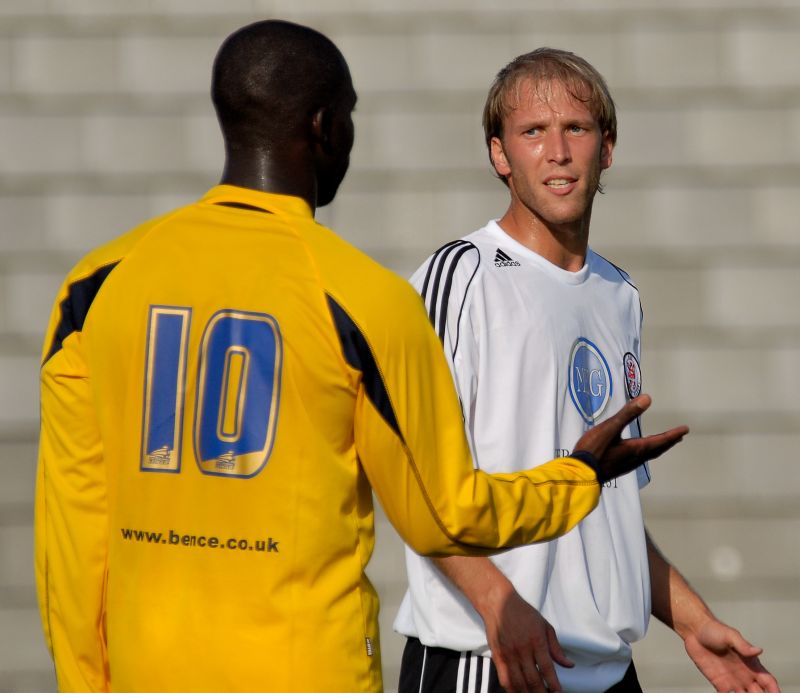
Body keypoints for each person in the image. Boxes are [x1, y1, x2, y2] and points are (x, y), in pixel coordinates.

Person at [34, 22, 687, 693]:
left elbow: (72, 528)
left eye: (577, 128)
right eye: (349, 115)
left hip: (146, 668)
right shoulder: (364, 299)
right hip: (310, 668)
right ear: (326, 127)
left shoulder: (95, 285)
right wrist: (578, 477)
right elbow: (445, 513)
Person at [394, 48, 780, 693]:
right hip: (489, 660)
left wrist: (692, 622)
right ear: (499, 155)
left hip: (606, 671)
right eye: (533, 131)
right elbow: (409, 477)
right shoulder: (460, 276)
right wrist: (496, 601)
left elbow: (608, 509)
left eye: (576, 128)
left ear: (607, 148)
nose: (558, 152)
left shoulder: (618, 293)